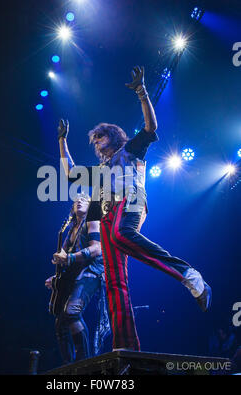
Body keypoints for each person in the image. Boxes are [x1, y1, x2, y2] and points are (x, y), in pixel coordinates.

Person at [57, 65, 212, 352]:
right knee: (115, 282)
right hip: (109, 213)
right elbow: (70, 172)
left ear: (112, 137)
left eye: (99, 138)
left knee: (120, 234)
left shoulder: (129, 150)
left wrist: (142, 92)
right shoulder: (100, 172)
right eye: (93, 141)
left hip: (132, 200)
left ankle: (190, 276)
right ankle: (126, 347)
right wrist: (62, 140)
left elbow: (152, 128)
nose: (95, 144)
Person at [45, 193, 110, 364]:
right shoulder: (71, 230)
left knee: (72, 311)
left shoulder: (92, 221)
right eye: (76, 200)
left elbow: (97, 249)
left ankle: (84, 363)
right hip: (76, 273)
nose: (79, 201)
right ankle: (69, 367)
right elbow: (65, 259)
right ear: (73, 208)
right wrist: (57, 277)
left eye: (84, 200)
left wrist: (69, 258)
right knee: (60, 323)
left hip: (93, 270)